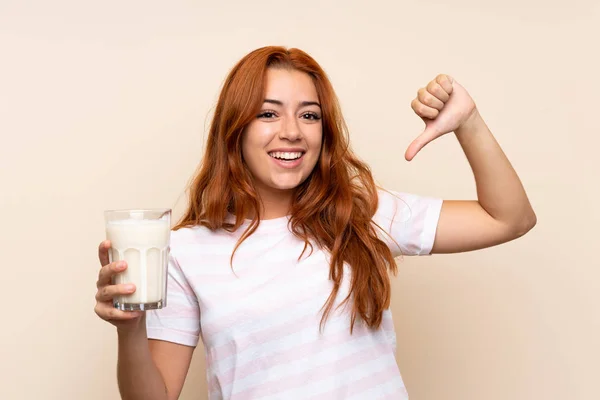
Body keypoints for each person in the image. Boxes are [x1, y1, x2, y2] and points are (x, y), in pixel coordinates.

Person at [94, 46, 536, 400]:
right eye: (268, 113)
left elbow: (509, 218)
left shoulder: (360, 212)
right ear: (235, 129)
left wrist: (469, 123)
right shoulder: (187, 250)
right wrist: (130, 329)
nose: (292, 131)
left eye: (309, 115)